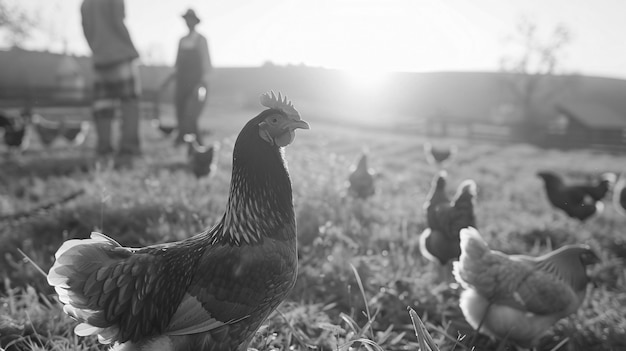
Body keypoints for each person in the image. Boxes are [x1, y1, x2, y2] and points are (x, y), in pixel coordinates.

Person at [81, 0, 142, 166]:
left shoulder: (86, 4)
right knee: (129, 102)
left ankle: (104, 148)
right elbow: (118, 21)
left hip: (100, 58)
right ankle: (129, 147)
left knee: (103, 106)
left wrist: (97, 49)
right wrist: (131, 47)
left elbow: (86, 31)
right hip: (121, 55)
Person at [161, 9, 212, 145]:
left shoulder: (201, 40)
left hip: (196, 83)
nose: (188, 22)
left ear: (195, 22)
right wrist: (167, 81)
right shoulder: (182, 41)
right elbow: (177, 65)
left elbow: (206, 63)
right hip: (181, 83)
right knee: (180, 112)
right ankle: (182, 140)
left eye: (190, 20)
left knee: (191, 114)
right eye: (186, 20)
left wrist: (203, 83)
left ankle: (198, 143)